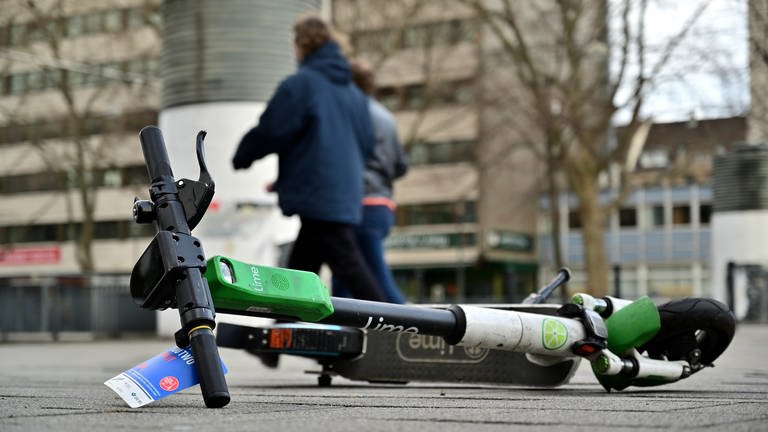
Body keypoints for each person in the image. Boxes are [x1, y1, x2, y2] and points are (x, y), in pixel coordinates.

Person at [232, 15, 387, 302]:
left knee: (350, 268)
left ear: (301, 45)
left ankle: (391, 327)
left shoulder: (302, 85)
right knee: (301, 270)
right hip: (341, 193)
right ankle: (274, 340)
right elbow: (365, 144)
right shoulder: (354, 94)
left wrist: (243, 155)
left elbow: (273, 129)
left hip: (321, 197)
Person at [332, 60, 409, 304]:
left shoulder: (348, 114)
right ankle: (343, 333)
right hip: (382, 207)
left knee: (372, 280)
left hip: (356, 205)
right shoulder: (386, 117)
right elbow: (401, 166)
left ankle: (416, 330)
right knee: (345, 278)